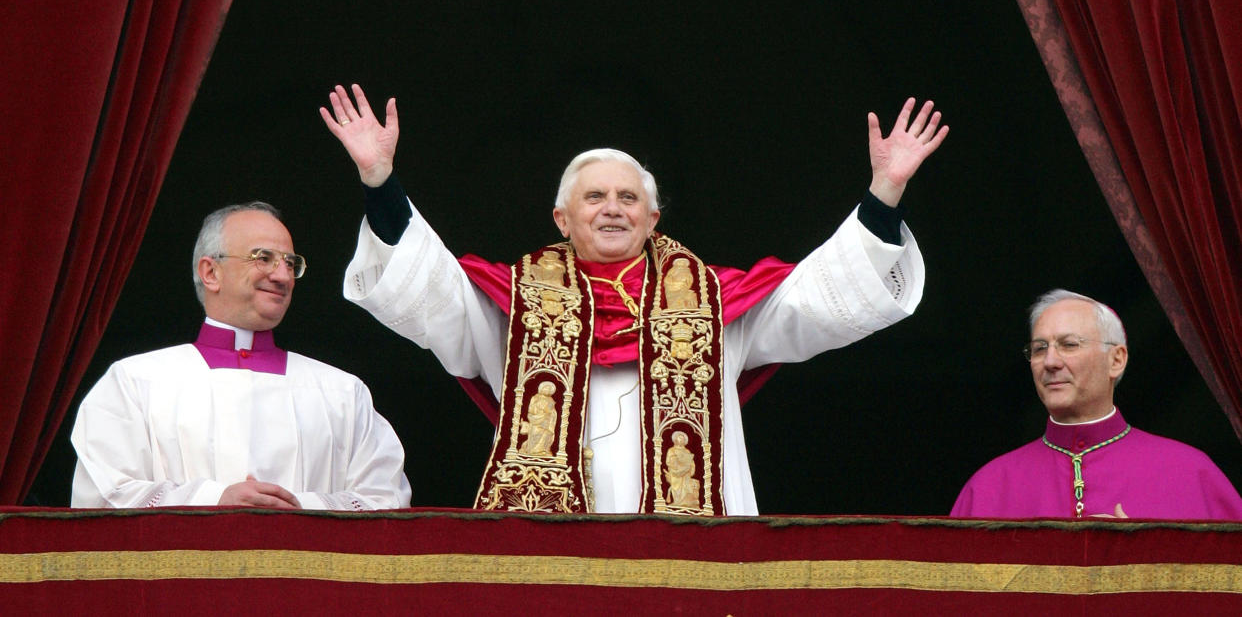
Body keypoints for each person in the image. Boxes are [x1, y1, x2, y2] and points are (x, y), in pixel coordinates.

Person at [322, 83, 947, 515]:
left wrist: (883, 195)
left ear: (653, 218)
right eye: (595, 198)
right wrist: (380, 182)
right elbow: (430, 287)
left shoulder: (715, 303)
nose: (612, 208)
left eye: (627, 199)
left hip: (691, 544)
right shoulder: (512, 304)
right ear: (562, 220)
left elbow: (819, 299)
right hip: (553, 543)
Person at [70, 202, 411, 510]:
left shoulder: (341, 393)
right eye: (263, 258)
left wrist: (298, 506)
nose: (281, 276)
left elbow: (386, 502)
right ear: (210, 273)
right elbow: (102, 500)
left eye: (290, 263)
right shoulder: (134, 383)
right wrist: (215, 500)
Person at [951, 289, 1242, 519]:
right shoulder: (990, 486)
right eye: (1039, 349)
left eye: (1069, 345)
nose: (1050, 362)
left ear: (1116, 360)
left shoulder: (1190, 473)